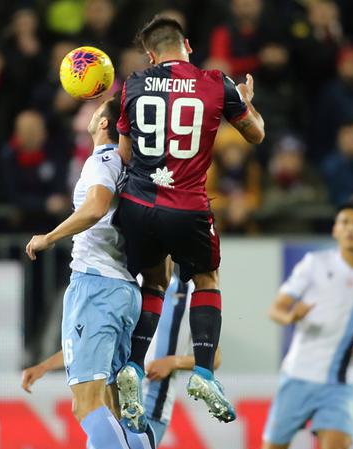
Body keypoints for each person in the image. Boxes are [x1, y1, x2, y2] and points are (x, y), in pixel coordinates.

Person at [114, 16, 265, 427]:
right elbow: (256, 136)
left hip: (138, 204)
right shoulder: (217, 83)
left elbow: (125, 155)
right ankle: (203, 372)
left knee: (155, 283)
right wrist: (246, 102)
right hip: (188, 205)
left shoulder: (132, 83)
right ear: (188, 46)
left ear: (150, 54)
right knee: (206, 279)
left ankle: (131, 364)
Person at [25, 96, 156, 449]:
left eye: (94, 110)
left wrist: (49, 237)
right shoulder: (134, 165)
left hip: (95, 285)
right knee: (116, 407)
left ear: (103, 124)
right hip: (125, 290)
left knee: (86, 405)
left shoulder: (104, 160)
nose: (88, 112)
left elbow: (96, 206)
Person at [22, 267, 223, 449]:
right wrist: (44, 367)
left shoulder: (190, 293)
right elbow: (91, 348)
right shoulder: (131, 289)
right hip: (115, 402)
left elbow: (214, 357)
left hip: (153, 407)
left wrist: (173, 362)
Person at [260, 201, 353, 449]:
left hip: (340, 383)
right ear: (335, 230)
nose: (351, 229)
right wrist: (291, 316)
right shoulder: (314, 264)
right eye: (345, 222)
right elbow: (275, 309)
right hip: (299, 374)